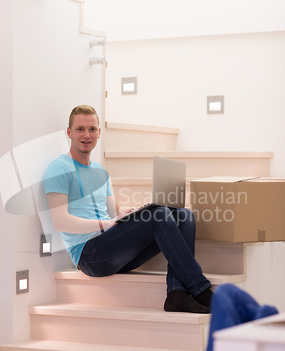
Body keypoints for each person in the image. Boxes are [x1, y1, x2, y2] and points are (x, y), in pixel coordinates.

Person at [43, 104, 213, 313]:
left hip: (113, 247)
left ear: (99, 133)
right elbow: (60, 221)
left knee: (183, 215)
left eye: (92, 129)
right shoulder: (59, 168)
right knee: (159, 215)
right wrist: (105, 224)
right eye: (80, 129)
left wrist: (128, 214)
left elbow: (113, 212)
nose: (86, 135)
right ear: (69, 132)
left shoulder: (101, 172)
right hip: (89, 255)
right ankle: (201, 289)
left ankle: (177, 293)